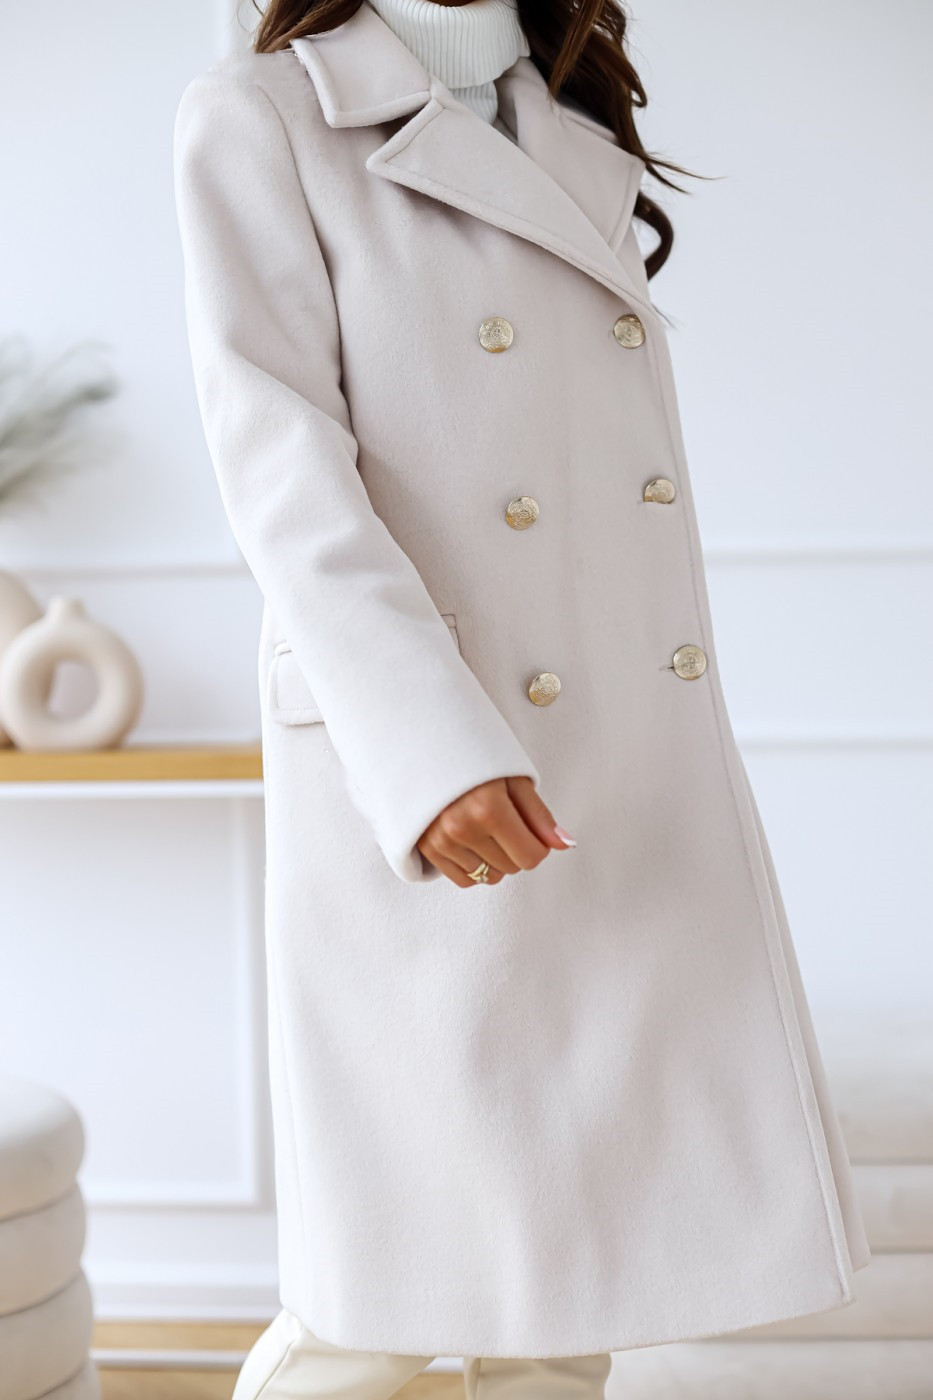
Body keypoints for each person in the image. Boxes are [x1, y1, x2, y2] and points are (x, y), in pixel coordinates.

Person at [172, 1, 871, 1395]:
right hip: (422, 751)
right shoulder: (263, 114)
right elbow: (282, 478)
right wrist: (429, 758)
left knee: (568, 1279)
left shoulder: (560, 117)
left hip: (617, 751)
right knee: (373, 1295)